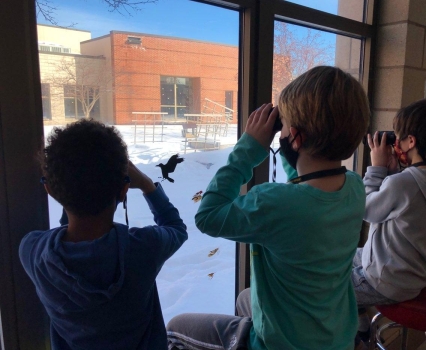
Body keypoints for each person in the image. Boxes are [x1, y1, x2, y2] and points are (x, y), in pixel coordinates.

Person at [166, 66, 370, 350]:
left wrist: (249, 147)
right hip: (335, 337)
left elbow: (208, 216)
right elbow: (304, 189)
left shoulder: (272, 202)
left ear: (296, 138)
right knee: (245, 299)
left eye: (284, 127)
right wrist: (291, 146)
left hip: (280, 345)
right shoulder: (354, 187)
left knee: (176, 328)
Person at [19, 119, 188, 350]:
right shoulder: (143, 248)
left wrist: (68, 186)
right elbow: (176, 228)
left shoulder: (32, 251)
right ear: (123, 189)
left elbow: (62, 230)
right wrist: (148, 185)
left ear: (50, 190)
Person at [353, 98, 426, 343]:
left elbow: (367, 209)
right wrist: (391, 173)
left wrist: (377, 169)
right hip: (416, 271)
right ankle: (360, 319)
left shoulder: (403, 183)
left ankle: (357, 333)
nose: (395, 143)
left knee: (327, 286)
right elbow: (406, 205)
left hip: (389, 280)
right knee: (345, 255)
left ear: (411, 142)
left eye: (398, 137)